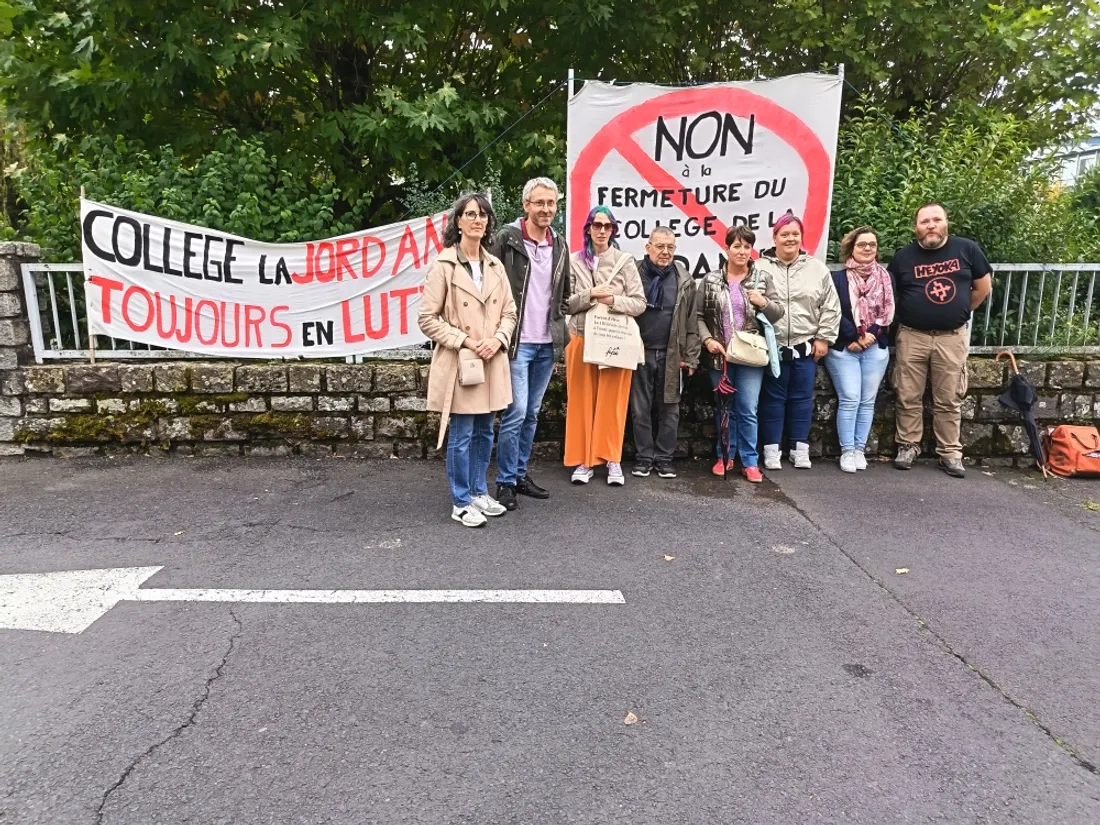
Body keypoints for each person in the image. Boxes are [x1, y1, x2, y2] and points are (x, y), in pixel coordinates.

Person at [419, 193, 517, 527]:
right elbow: (427, 319)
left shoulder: (494, 265)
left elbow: (509, 312)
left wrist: (498, 339)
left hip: (491, 360)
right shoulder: (443, 266)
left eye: (483, 215)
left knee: (484, 432)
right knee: (461, 434)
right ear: (458, 221)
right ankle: (460, 501)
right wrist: (465, 341)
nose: (478, 220)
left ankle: (478, 492)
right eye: (470, 214)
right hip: (463, 362)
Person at [888, 202, 993, 478]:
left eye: (936, 220)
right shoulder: (903, 257)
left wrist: (957, 311)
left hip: (951, 337)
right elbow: (893, 296)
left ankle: (950, 453)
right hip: (912, 336)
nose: (931, 225)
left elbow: (983, 287)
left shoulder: (967, 249)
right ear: (916, 227)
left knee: (949, 397)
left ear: (946, 223)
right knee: (907, 394)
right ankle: (908, 445)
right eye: (925, 221)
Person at [487, 177, 570, 511]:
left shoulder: (560, 245)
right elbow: (487, 281)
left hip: (547, 343)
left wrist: (561, 320)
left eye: (551, 203)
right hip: (516, 341)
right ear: (526, 205)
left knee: (532, 413)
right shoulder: (506, 239)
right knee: (515, 411)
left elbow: (563, 292)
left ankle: (520, 474)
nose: (546, 209)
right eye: (539, 203)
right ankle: (505, 481)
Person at [695, 225, 784, 483]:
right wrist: (708, 339)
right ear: (727, 249)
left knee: (747, 408)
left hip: (750, 355)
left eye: (747, 246)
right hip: (719, 355)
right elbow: (699, 316)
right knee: (724, 409)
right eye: (737, 246)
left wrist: (763, 302)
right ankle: (724, 456)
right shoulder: (710, 280)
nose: (742, 251)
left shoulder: (762, 279)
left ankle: (749, 460)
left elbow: (778, 314)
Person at [564, 206, 645, 486]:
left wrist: (613, 301)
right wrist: (590, 295)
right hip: (581, 337)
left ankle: (612, 459)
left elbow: (639, 303)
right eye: (597, 225)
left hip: (614, 339)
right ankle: (584, 461)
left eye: (607, 226)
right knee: (581, 401)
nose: (601, 230)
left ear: (613, 230)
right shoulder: (574, 261)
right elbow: (565, 302)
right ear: (588, 228)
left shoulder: (625, 261)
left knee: (613, 402)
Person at [755, 213, 841, 470]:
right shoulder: (761, 267)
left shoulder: (816, 268)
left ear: (801, 237)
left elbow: (830, 306)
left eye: (795, 234)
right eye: (785, 234)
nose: (790, 238)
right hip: (773, 345)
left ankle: (798, 448)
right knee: (772, 398)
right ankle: (771, 449)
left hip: (806, 345)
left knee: (802, 398)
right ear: (775, 238)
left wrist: (824, 337)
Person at [629, 227, 700, 479]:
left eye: (670, 247)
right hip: (638, 353)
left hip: (672, 355)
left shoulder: (685, 280)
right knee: (640, 409)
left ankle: (664, 458)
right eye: (660, 246)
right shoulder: (633, 273)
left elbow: (693, 323)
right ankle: (644, 457)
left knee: (670, 409)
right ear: (648, 248)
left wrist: (690, 357)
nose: (665, 252)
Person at [824, 226, 895, 473]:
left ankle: (859, 449)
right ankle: (846, 451)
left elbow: (889, 311)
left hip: (875, 347)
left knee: (867, 401)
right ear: (851, 248)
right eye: (862, 244)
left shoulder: (886, 277)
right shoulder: (837, 279)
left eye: (872, 244)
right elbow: (831, 311)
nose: (867, 249)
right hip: (844, 346)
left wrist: (871, 336)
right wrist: (855, 336)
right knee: (850, 398)